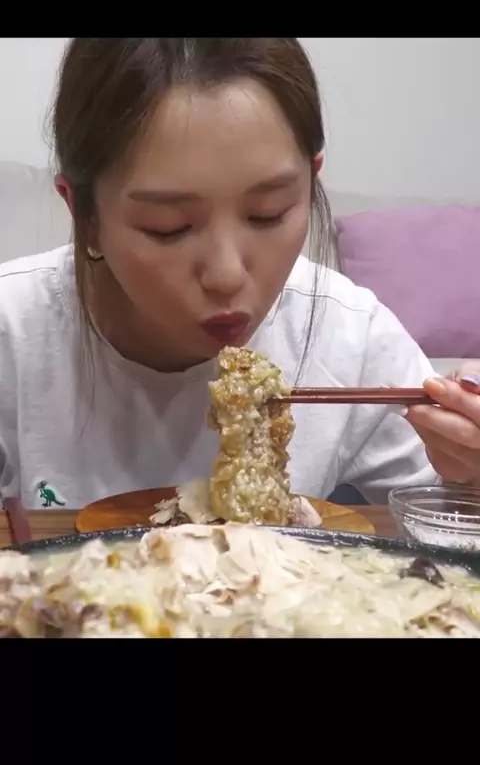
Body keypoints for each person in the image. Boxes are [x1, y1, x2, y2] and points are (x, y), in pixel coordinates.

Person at [0, 37, 479, 512]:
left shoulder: (351, 339)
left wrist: (470, 472)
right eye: (168, 228)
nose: (227, 275)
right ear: (84, 214)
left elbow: (447, 514)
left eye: (268, 214)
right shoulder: (12, 335)